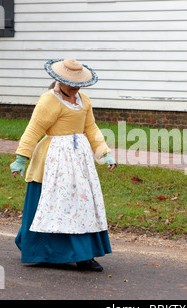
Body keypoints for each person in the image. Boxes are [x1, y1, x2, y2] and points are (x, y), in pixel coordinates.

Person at [10, 58, 116, 271]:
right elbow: (33, 130)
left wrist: (105, 153)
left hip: (80, 160)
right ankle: (43, 249)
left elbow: (92, 129)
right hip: (54, 160)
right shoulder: (49, 101)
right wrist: (21, 158)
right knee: (56, 202)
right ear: (59, 79)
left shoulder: (83, 100)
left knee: (80, 204)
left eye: (79, 82)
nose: (76, 86)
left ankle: (83, 254)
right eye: (71, 82)